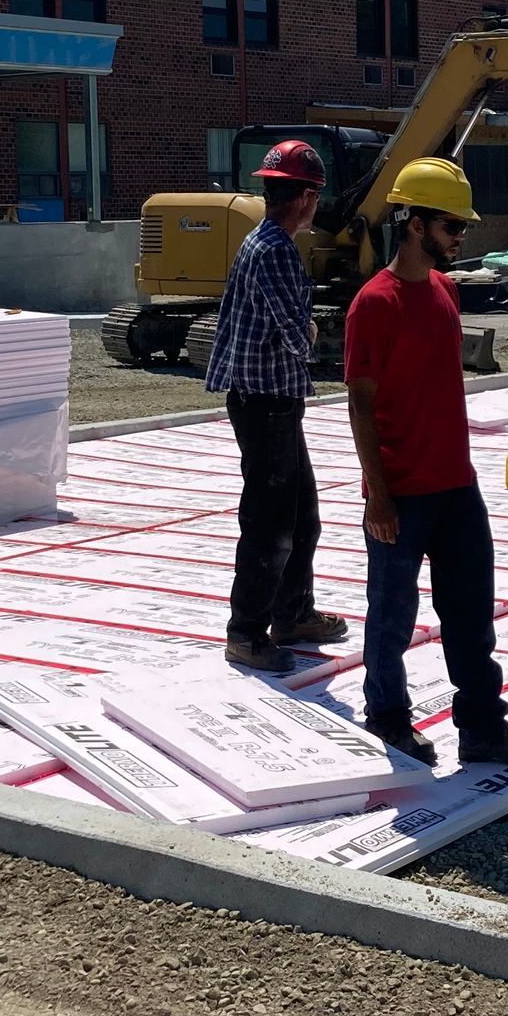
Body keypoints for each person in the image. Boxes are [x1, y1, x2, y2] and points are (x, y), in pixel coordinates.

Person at [343, 157, 508, 772]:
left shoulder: (445, 290)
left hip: (457, 485)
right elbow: (360, 405)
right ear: (414, 223)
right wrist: (377, 495)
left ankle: (483, 728)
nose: (461, 236)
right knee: (391, 615)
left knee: (469, 613)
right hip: (402, 494)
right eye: (451, 225)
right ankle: (387, 719)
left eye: (461, 225)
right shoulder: (372, 304)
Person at [204, 139, 349, 675]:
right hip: (266, 404)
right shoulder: (276, 253)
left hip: (271, 401)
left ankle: (293, 613)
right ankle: (246, 633)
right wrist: (314, 331)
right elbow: (298, 336)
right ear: (307, 196)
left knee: (302, 515)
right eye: (316, 193)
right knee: (270, 524)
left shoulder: (261, 241)